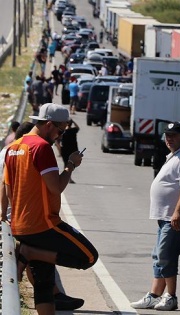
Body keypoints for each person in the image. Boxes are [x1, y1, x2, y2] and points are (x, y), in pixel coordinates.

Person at [1, 103, 98, 315]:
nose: (59, 137)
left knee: (44, 284)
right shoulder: (41, 148)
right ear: (47, 125)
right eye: (60, 131)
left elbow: (6, 188)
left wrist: (5, 216)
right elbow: (56, 188)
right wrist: (70, 164)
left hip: (20, 225)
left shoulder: (15, 147)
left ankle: (31, 252)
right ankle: (28, 252)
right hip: (43, 224)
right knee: (89, 257)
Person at [130, 122, 180, 311]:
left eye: (174, 135)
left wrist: (178, 212)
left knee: (166, 255)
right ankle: (154, 295)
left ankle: (171, 296)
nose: (169, 138)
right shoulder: (176, 155)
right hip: (165, 217)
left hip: (174, 218)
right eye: (167, 135)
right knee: (158, 256)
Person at [57, 119, 80, 184]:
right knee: (70, 165)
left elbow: (57, 141)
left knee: (66, 164)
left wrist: (59, 150)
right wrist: (73, 121)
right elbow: (78, 127)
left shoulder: (63, 131)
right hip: (72, 150)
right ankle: (68, 178)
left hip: (65, 150)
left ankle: (65, 178)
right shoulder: (73, 130)